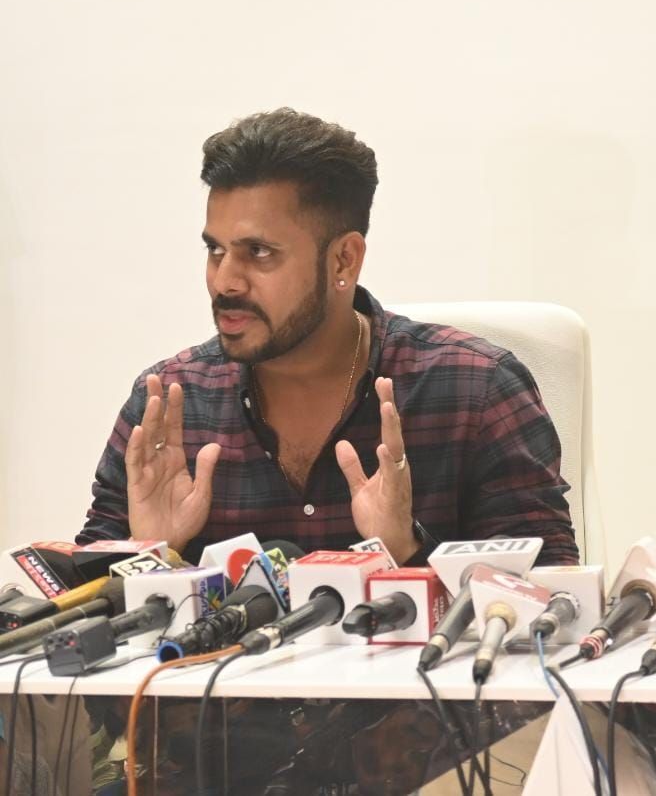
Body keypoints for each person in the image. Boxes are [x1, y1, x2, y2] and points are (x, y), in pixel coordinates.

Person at [78, 108, 578, 568]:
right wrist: (153, 555)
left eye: (258, 252)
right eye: (215, 250)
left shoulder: (475, 390)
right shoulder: (170, 404)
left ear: (343, 260)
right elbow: (77, 617)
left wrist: (406, 552)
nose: (224, 281)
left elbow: (552, 599)